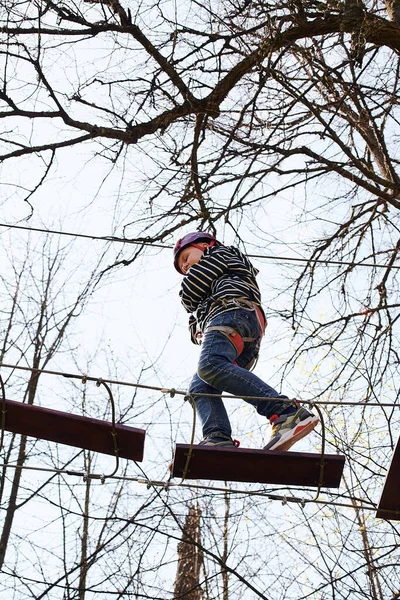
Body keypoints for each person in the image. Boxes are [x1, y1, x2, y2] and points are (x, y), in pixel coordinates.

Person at [174, 231, 319, 451]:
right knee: (200, 386)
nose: (185, 267)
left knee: (209, 365)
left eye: (186, 258)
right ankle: (217, 437)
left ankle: (285, 412)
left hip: (233, 314)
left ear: (204, 246)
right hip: (239, 325)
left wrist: (193, 300)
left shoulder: (220, 253)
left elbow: (189, 294)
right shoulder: (215, 284)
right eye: (182, 266)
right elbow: (194, 319)